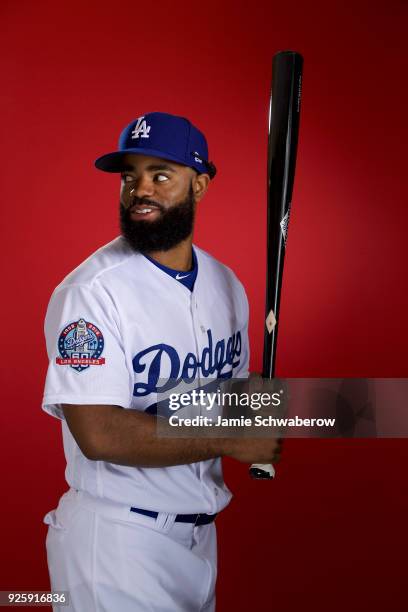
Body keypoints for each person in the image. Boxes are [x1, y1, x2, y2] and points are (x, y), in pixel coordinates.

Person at [42, 112, 280, 612]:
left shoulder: (226, 285)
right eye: (130, 176)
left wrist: (265, 410)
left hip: (199, 540)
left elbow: (228, 405)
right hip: (116, 541)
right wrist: (233, 438)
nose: (140, 190)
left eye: (161, 175)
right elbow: (99, 433)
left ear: (199, 186)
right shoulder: (91, 292)